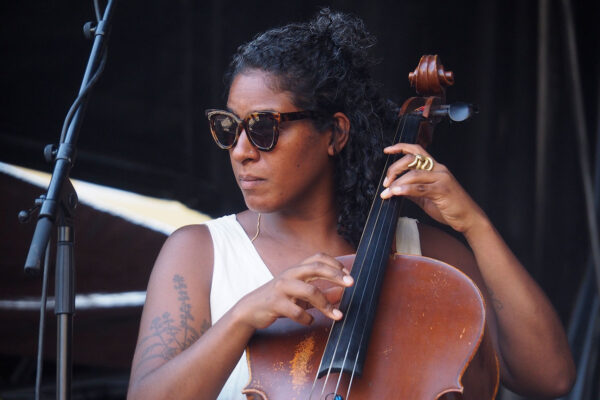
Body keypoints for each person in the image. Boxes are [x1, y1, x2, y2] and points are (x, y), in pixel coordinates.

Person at [126, 9, 575, 400]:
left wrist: (474, 225)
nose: (241, 150)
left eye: (263, 127)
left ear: (335, 134)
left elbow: (549, 377)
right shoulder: (200, 253)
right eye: (230, 128)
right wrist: (243, 315)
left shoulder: (429, 258)